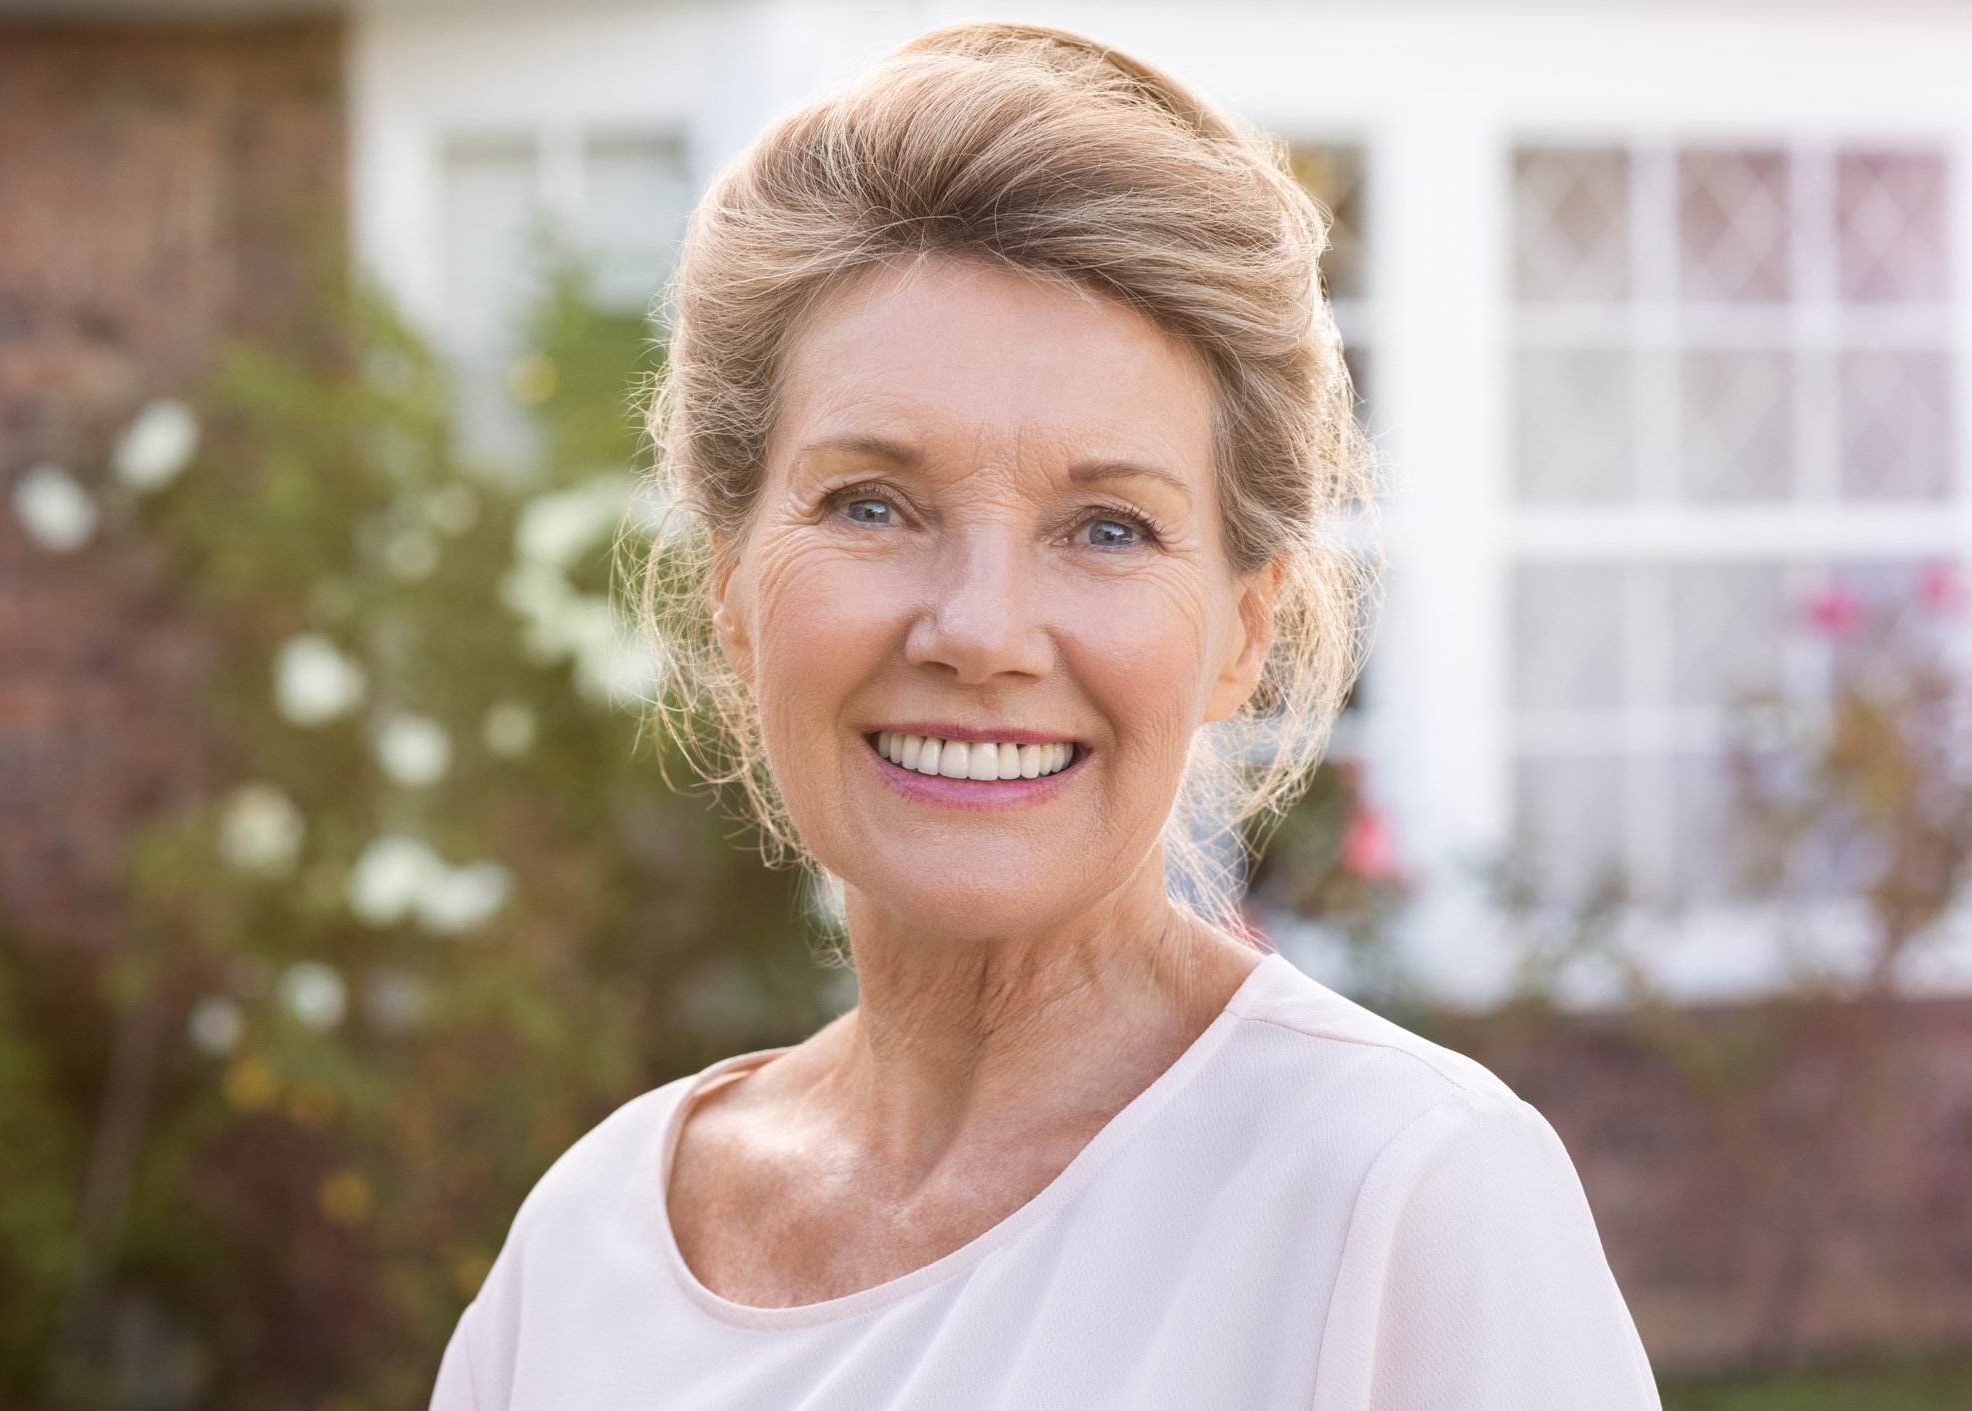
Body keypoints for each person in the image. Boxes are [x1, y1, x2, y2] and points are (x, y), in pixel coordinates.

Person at [429, 21, 1661, 1410]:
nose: (980, 632)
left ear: (1240, 633)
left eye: (1107, 528)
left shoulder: (1398, 1193)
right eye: (873, 505)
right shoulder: (588, 1245)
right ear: (729, 586)